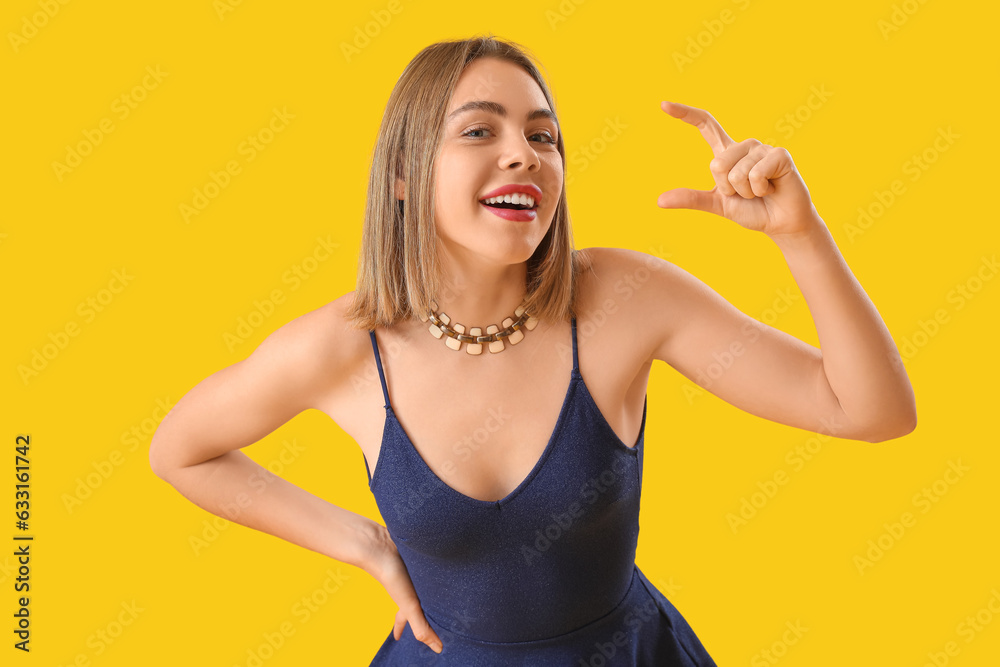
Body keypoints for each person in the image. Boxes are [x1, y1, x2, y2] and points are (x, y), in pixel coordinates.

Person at [149, 34, 916, 665]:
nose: (526, 154)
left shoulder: (624, 297)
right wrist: (365, 545)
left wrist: (800, 236)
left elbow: (871, 410)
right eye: (481, 129)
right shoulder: (344, 348)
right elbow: (180, 451)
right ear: (406, 176)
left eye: (543, 135)